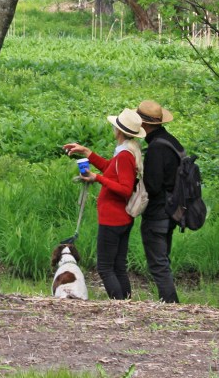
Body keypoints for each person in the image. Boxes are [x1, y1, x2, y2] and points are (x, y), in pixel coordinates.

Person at [63, 108, 145, 300]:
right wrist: (87, 152)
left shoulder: (125, 155)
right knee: (118, 266)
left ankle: (119, 304)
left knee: (105, 267)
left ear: (119, 131)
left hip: (113, 219)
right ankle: (126, 303)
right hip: (120, 217)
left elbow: (124, 188)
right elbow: (110, 168)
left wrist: (97, 178)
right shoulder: (126, 151)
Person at [136, 99, 184, 303]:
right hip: (173, 210)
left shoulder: (156, 148)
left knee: (158, 264)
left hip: (158, 213)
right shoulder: (172, 142)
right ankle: (170, 303)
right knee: (163, 260)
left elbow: (153, 186)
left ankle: (171, 305)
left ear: (144, 125)